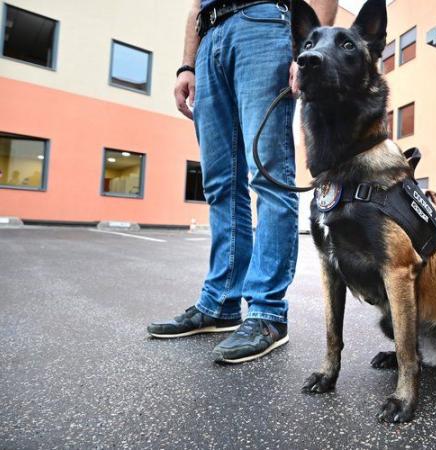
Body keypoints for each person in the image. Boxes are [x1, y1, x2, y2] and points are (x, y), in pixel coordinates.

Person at [147, 0, 338, 363]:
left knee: (269, 176)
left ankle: (267, 313)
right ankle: (220, 303)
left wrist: (309, 50)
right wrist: (186, 65)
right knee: (219, 185)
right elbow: (194, 7)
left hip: (263, 24)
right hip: (209, 38)